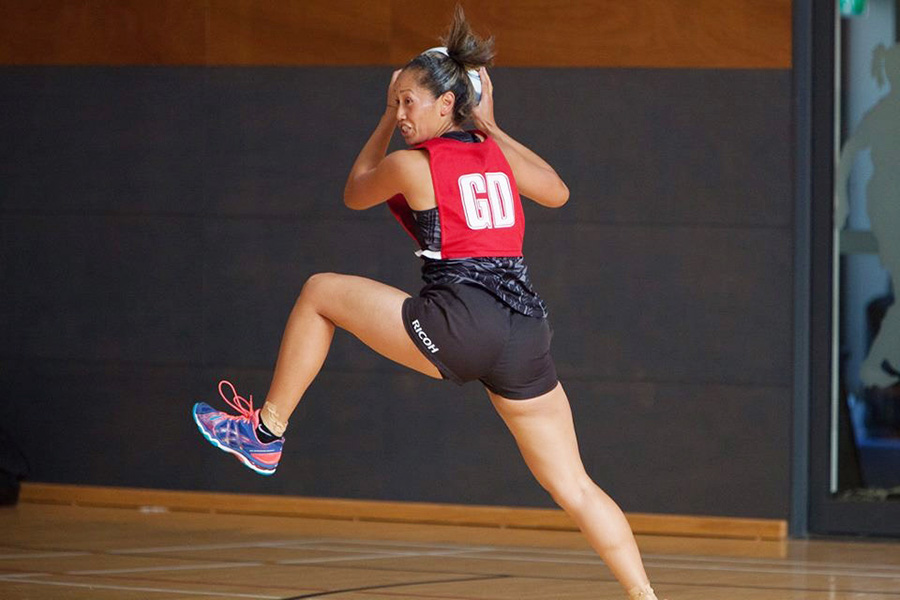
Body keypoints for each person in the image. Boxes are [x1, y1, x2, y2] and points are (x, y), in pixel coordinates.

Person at [193, 7, 662, 599]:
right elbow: (558, 191)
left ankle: (266, 431)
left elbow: (354, 190)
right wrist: (492, 125)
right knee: (575, 485)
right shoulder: (499, 157)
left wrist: (382, 121)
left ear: (446, 106)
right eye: (398, 104)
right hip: (525, 333)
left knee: (319, 292)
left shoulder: (412, 164)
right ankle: (645, 596)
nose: (403, 112)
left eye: (409, 102)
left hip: (462, 323)